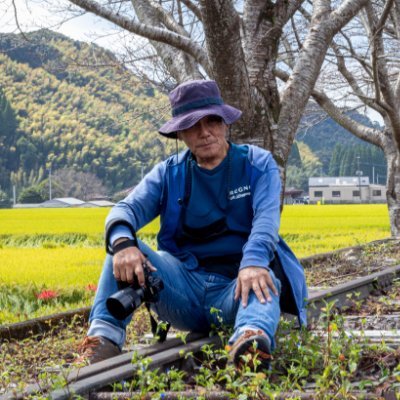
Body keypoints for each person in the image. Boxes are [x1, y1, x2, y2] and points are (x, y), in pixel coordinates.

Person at [78, 80, 308, 370]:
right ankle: (102, 342)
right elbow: (124, 210)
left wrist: (253, 262)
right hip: (181, 291)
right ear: (180, 133)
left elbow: (266, 222)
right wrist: (124, 244)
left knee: (264, 281)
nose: (205, 132)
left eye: (212, 120)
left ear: (224, 122)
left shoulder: (257, 164)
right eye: (193, 125)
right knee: (120, 250)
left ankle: (250, 340)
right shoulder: (168, 173)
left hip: (236, 289)